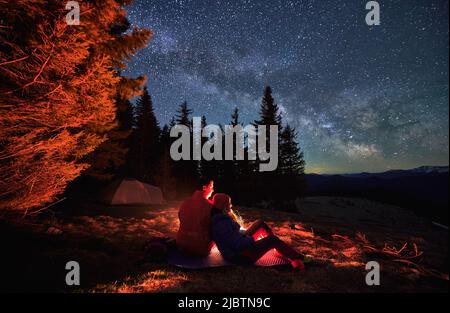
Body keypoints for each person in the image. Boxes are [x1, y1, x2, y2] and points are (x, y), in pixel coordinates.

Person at [211, 193, 305, 270]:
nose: (230, 205)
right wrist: (250, 239)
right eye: (229, 203)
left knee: (260, 223)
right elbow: (237, 245)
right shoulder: (221, 224)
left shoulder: (221, 219)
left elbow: (233, 237)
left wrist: (243, 234)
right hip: (240, 256)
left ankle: (277, 248)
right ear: (223, 206)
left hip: (240, 245)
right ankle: (297, 258)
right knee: (272, 239)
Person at [176, 179, 215, 257]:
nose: (213, 190)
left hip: (181, 243)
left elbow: (181, 219)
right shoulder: (210, 206)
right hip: (201, 247)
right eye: (211, 187)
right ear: (204, 187)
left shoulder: (185, 202)